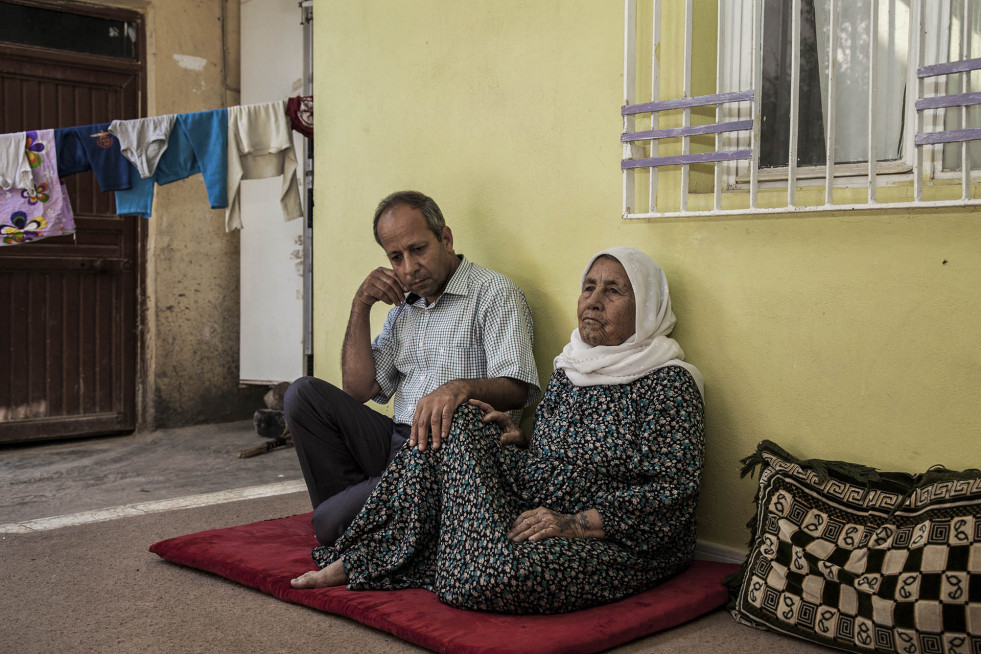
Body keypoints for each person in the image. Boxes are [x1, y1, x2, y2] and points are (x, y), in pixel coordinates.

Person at [290, 246, 706, 615]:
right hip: (538, 499)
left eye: (613, 291)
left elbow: (672, 496)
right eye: (588, 287)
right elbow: (553, 455)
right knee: (463, 418)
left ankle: (387, 553)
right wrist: (520, 440)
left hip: (614, 534)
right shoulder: (571, 368)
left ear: (648, 305)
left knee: (511, 572)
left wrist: (572, 523)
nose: (594, 301)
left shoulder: (668, 384)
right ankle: (385, 554)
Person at [284, 190, 541, 546]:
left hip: (446, 449)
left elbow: (518, 388)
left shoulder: (493, 293)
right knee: (303, 394)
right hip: (397, 444)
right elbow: (358, 389)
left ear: (446, 239)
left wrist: (459, 388)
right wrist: (361, 304)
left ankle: (365, 520)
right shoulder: (403, 309)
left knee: (328, 524)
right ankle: (380, 517)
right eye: (395, 257)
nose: (408, 267)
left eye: (418, 250)